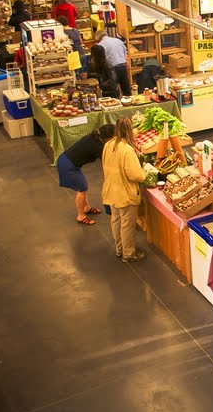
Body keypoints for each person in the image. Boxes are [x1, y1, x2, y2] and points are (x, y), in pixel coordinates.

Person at [101, 117, 147, 263]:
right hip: (125, 193)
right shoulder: (127, 150)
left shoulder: (109, 145)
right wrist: (145, 172)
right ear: (129, 131)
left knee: (116, 220)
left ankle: (119, 248)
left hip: (110, 190)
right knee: (127, 224)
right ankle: (129, 253)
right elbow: (136, 175)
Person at [58, 125, 114, 226]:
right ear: (107, 138)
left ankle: (86, 207)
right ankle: (81, 216)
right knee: (82, 189)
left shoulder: (94, 136)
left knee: (83, 187)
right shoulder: (98, 146)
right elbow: (107, 160)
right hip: (67, 165)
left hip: (65, 159)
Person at [96, 30, 130, 96]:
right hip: (123, 66)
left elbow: (100, 61)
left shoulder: (100, 45)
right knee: (126, 90)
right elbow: (126, 57)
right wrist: (127, 69)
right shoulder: (118, 41)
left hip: (112, 69)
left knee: (113, 91)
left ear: (98, 39)